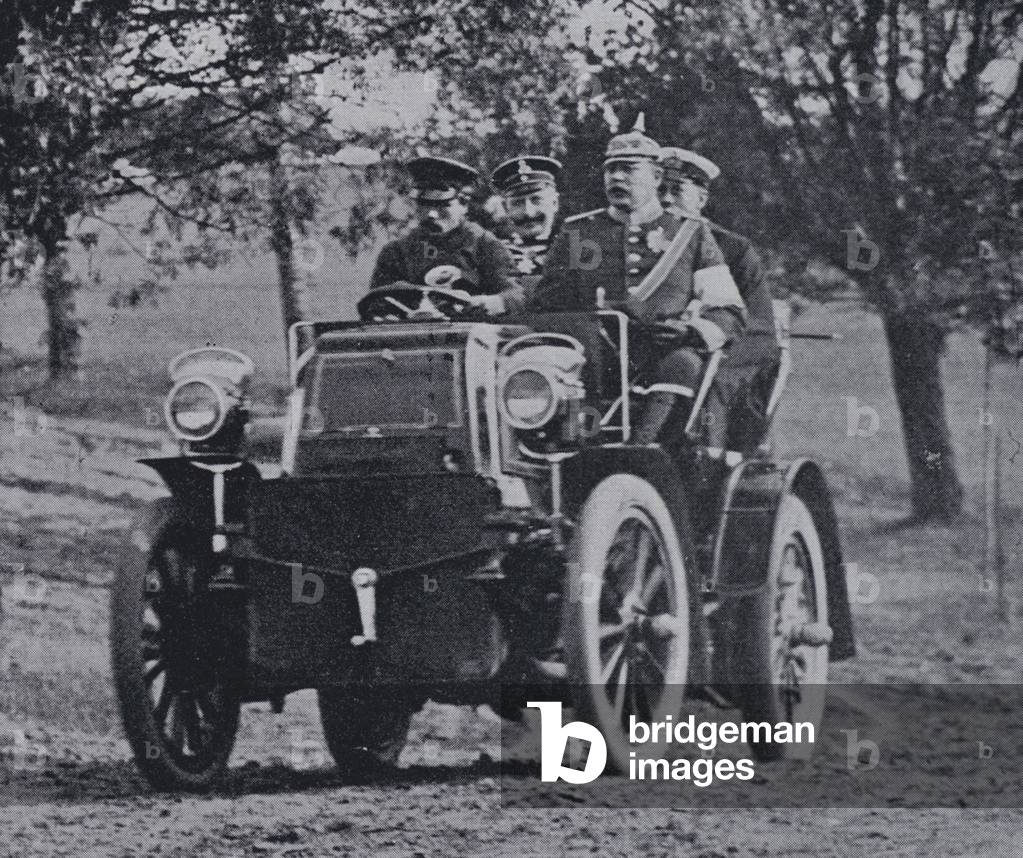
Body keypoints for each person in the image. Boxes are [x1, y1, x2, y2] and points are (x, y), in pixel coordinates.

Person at [530, 117, 746, 448]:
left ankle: (643, 454)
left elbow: (728, 310)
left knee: (683, 364)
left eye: (629, 169)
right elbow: (546, 307)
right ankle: (582, 451)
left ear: (656, 177)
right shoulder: (578, 233)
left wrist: (691, 332)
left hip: (659, 354)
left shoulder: (690, 233)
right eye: (610, 169)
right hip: (592, 357)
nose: (616, 177)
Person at [658, 147, 781, 450]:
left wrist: (711, 352)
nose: (666, 200)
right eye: (659, 190)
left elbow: (759, 326)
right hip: (660, 350)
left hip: (725, 350)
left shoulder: (734, 250)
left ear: (701, 199)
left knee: (713, 386)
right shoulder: (642, 246)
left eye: (677, 190)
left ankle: (707, 463)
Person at [370, 155, 523, 315]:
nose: (432, 215)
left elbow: (515, 296)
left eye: (442, 206)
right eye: (424, 205)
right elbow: (376, 305)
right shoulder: (395, 252)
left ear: (463, 204)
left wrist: (492, 302)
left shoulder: (486, 245)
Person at [490, 156, 562, 293]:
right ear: (506, 209)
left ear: (554, 203)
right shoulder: (492, 253)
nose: (529, 213)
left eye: (536, 200)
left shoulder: (574, 248)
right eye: (517, 203)